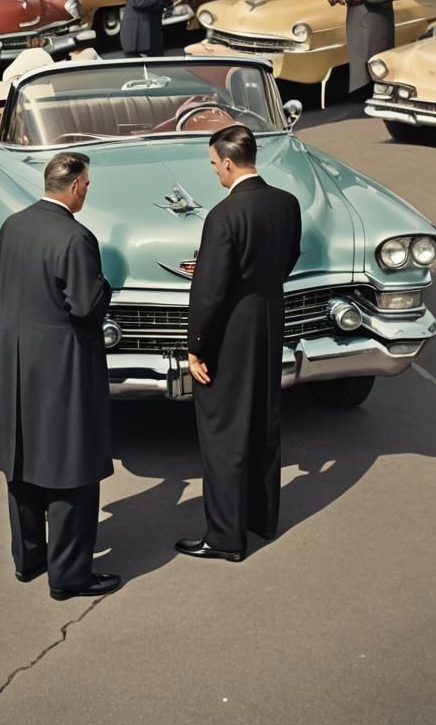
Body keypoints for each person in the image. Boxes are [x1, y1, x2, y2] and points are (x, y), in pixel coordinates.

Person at [0, 152, 121, 601]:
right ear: (77, 186)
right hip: (63, 364)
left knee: (22, 462)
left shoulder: (13, 225)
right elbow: (85, 306)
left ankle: (30, 559)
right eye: (87, 185)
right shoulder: (76, 238)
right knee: (70, 469)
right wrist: (106, 286)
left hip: (16, 361)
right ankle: (70, 576)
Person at [177, 125, 301, 562]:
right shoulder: (287, 203)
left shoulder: (223, 216)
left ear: (228, 162)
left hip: (230, 331)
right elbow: (288, 258)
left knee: (223, 433)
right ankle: (261, 519)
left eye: (214, 165)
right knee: (263, 421)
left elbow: (210, 291)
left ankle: (225, 537)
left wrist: (195, 346)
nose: (215, 173)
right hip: (269, 319)